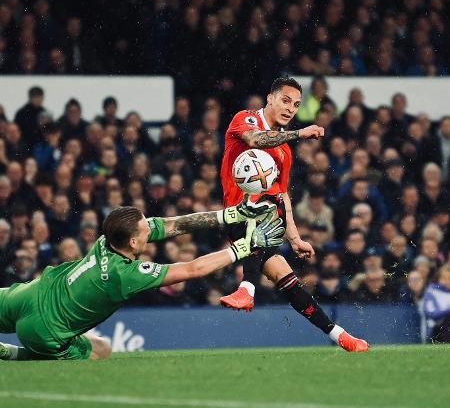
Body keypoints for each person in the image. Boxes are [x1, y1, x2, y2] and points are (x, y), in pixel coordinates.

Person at [0, 200, 284, 360]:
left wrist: (230, 215)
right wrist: (245, 247)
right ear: (134, 241)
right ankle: (10, 353)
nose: (152, 226)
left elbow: (176, 225)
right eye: (146, 226)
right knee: (102, 350)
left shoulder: (108, 237)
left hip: (30, 294)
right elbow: (192, 270)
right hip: (45, 331)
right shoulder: (127, 275)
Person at [219, 76, 369, 352]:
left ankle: (340, 336)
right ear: (270, 98)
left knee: (288, 281)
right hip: (238, 215)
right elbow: (256, 140)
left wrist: (295, 238)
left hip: (263, 222)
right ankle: (247, 288)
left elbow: (282, 195)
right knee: (258, 211)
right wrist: (301, 133)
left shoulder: (285, 153)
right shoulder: (247, 119)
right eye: (285, 100)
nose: (290, 108)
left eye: (297, 105)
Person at [423, 263, 450, 343]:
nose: (447, 281)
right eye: (444, 278)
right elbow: (432, 314)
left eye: (449, 278)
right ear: (438, 279)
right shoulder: (432, 292)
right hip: (437, 331)